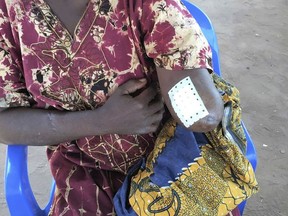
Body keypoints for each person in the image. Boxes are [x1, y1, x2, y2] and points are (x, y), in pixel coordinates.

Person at [0, 0, 258, 215]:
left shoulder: (146, 5)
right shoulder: (9, 13)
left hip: (172, 162)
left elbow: (201, 115)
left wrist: (184, 78)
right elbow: (5, 124)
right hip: (83, 172)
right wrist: (101, 121)